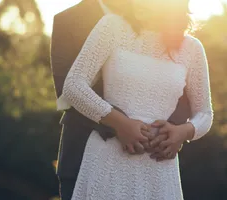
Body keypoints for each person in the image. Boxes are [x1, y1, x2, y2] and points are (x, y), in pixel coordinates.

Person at [59, 0, 213, 199]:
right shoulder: (111, 26)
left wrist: (183, 132)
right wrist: (119, 122)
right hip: (107, 160)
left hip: (158, 168)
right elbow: (73, 85)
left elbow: (205, 113)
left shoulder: (192, 49)